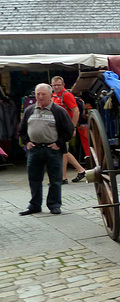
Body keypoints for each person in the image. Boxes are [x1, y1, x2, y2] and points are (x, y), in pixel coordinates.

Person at [18, 83, 75, 215]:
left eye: (43, 94)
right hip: (35, 150)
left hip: (52, 150)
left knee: (55, 179)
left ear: (50, 95)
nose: (40, 96)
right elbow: (21, 129)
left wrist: (59, 144)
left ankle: (54, 205)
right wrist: (27, 142)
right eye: (38, 94)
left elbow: (69, 129)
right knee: (34, 179)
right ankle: (34, 205)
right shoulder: (29, 110)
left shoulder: (58, 111)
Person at [51, 76, 86, 183]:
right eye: (54, 85)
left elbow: (76, 111)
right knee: (63, 151)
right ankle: (67, 175)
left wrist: (72, 127)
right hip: (57, 128)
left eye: (59, 85)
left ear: (63, 85)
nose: (56, 87)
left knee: (63, 150)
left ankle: (73, 173)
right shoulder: (54, 95)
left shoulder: (66, 95)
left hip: (65, 127)